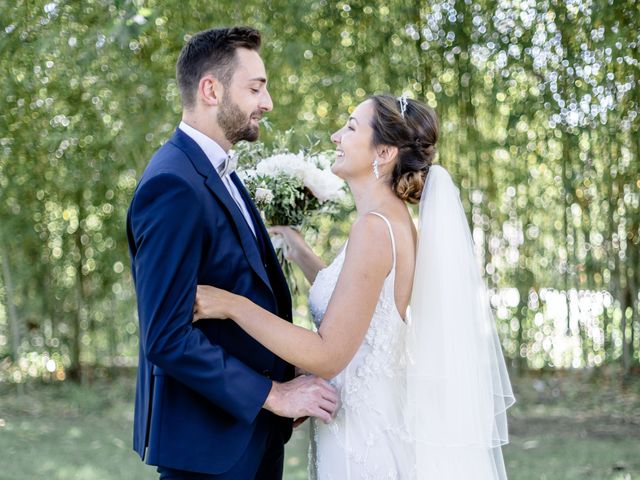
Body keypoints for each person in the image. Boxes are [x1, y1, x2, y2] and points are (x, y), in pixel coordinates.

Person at [194, 94, 515, 478]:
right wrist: (298, 249)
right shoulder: (390, 222)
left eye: (349, 127)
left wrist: (232, 305)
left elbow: (328, 353)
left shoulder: (375, 229)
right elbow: (357, 301)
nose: (335, 137)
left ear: (383, 152)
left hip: (363, 445)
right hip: (368, 425)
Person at [126, 26, 338, 480]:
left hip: (254, 436)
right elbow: (166, 336)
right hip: (207, 448)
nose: (268, 102)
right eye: (256, 87)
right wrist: (273, 394)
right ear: (210, 89)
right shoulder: (173, 184)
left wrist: (285, 376)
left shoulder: (220, 170)